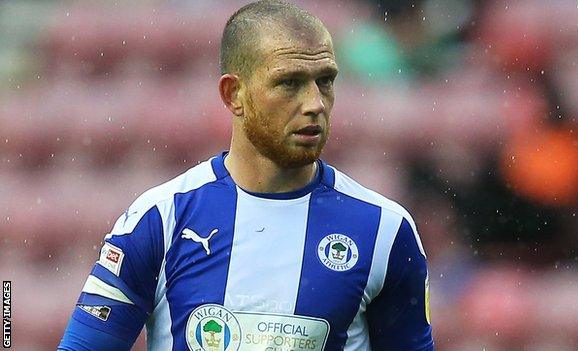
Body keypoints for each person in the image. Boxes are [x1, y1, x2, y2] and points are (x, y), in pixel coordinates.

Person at [58, 1, 434, 350]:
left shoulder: (384, 229)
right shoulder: (161, 220)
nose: (315, 103)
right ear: (233, 93)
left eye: (325, 80)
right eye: (289, 83)